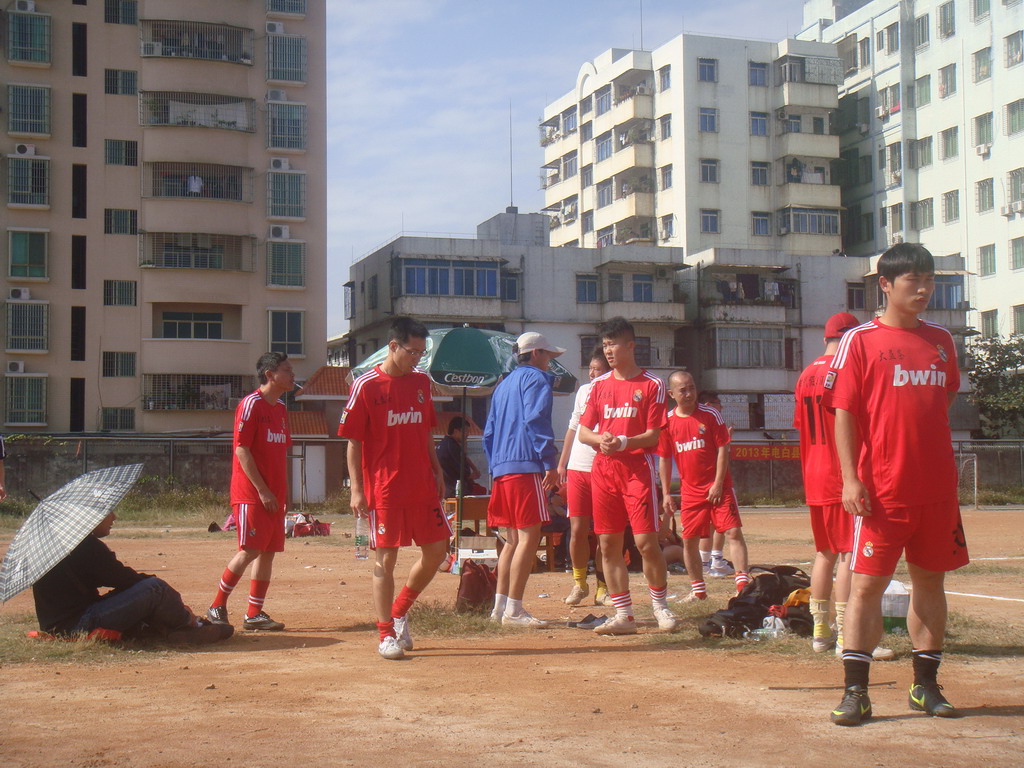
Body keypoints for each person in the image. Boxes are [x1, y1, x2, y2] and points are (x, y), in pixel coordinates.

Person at [823, 243, 969, 726]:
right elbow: (843, 412)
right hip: (882, 492)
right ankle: (856, 693)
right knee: (867, 586)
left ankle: (925, 686)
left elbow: (943, 398)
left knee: (930, 582)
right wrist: (851, 477)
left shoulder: (941, 340)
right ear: (885, 285)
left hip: (937, 489)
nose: (924, 289)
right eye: (913, 280)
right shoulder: (860, 341)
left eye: (929, 279)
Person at [340, 317, 450, 660]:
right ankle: (385, 634)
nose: (416, 358)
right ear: (393, 346)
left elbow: (427, 432)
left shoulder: (421, 383)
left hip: (422, 486)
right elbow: (353, 442)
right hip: (385, 489)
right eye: (412, 351)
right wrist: (357, 490)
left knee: (438, 552)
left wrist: (437, 470)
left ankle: (400, 611)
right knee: (385, 560)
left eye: (421, 352)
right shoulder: (366, 385)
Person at [577, 317, 678, 635]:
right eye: (605, 345)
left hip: (637, 470)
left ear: (631, 345)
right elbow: (583, 432)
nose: (608, 350)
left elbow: (653, 435)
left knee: (646, 543)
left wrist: (622, 442)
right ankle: (624, 615)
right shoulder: (599, 385)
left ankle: (661, 606)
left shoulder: (652, 384)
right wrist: (600, 439)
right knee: (608, 544)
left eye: (613, 344)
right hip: (604, 471)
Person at [32, 512, 233, 645]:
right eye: (109, 512)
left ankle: (167, 629)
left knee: (142, 589)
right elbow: (122, 578)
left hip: (61, 624)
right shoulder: (84, 546)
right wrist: (146, 580)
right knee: (155, 588)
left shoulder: (57, 546)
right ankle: (190, 626)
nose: (114, 517)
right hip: (78, 624)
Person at [206, 352, 294, 632]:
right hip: (252, 493)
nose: (292, 375)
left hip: (274, 495)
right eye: (287, 370)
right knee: (250, 550)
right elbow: (241, 449)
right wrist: (263, 490)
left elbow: (280, 453)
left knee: (268, 552)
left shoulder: (281, 408)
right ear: (270, 375)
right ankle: (217, 605)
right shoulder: (250, 404)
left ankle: (254, 613)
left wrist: (282, 493)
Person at [483, 331, 563, 627]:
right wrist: (549, 462)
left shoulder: (502, 385)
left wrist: (496, 466)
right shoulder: (538, 379)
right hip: (525, 466)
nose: (551, 361)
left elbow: (489, 432)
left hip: (502, 469)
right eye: (548, 354)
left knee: (512, 540)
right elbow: (536, 420)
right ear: (537, 353)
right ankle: (514, 610)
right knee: (528, 537)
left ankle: (500, 608)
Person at [658, 371, 750, 602]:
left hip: (718, 487)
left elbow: (722, 449)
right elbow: (665, 458)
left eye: (692, 388)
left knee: (733, 532)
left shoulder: (710, 414)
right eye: (683, 390)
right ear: (671, 394)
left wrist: (718, 484)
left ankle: (742, 585)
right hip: (690, 492)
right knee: (690, 541)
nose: (689, 393)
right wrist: (667, 493)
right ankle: (698, 589)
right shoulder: (667, 422)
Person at [555, 344, 612, 607]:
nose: (592, 374)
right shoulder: (583, 392)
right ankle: (579, 583)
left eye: (597, 369)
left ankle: (603, 587)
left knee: (603, 532)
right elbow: (573, 428)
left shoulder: (615, 391)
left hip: (603, 468)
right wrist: (562, 463)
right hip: (578, 468)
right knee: (577, 529)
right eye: (590, 369)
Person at [695, 391, 733, 578]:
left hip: (700, 482)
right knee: (719, 524)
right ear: (709, 404)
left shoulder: (703, 420)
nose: (721, 407)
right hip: (711, 481)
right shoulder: (709, 421)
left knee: (709, 525)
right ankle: (715, 560)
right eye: (718, 403)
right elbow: (719, 452)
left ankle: (706, 562)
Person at [436, 417, 486, 498]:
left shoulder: (442, 444)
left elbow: (463, 458)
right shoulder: (453, 447)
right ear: (456, 431)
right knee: (485, 493)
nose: (467, 434)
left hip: (444, 491)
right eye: (465, 431)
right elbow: (464, 473)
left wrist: (474, 469)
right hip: (456, 492)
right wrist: (473, 474)